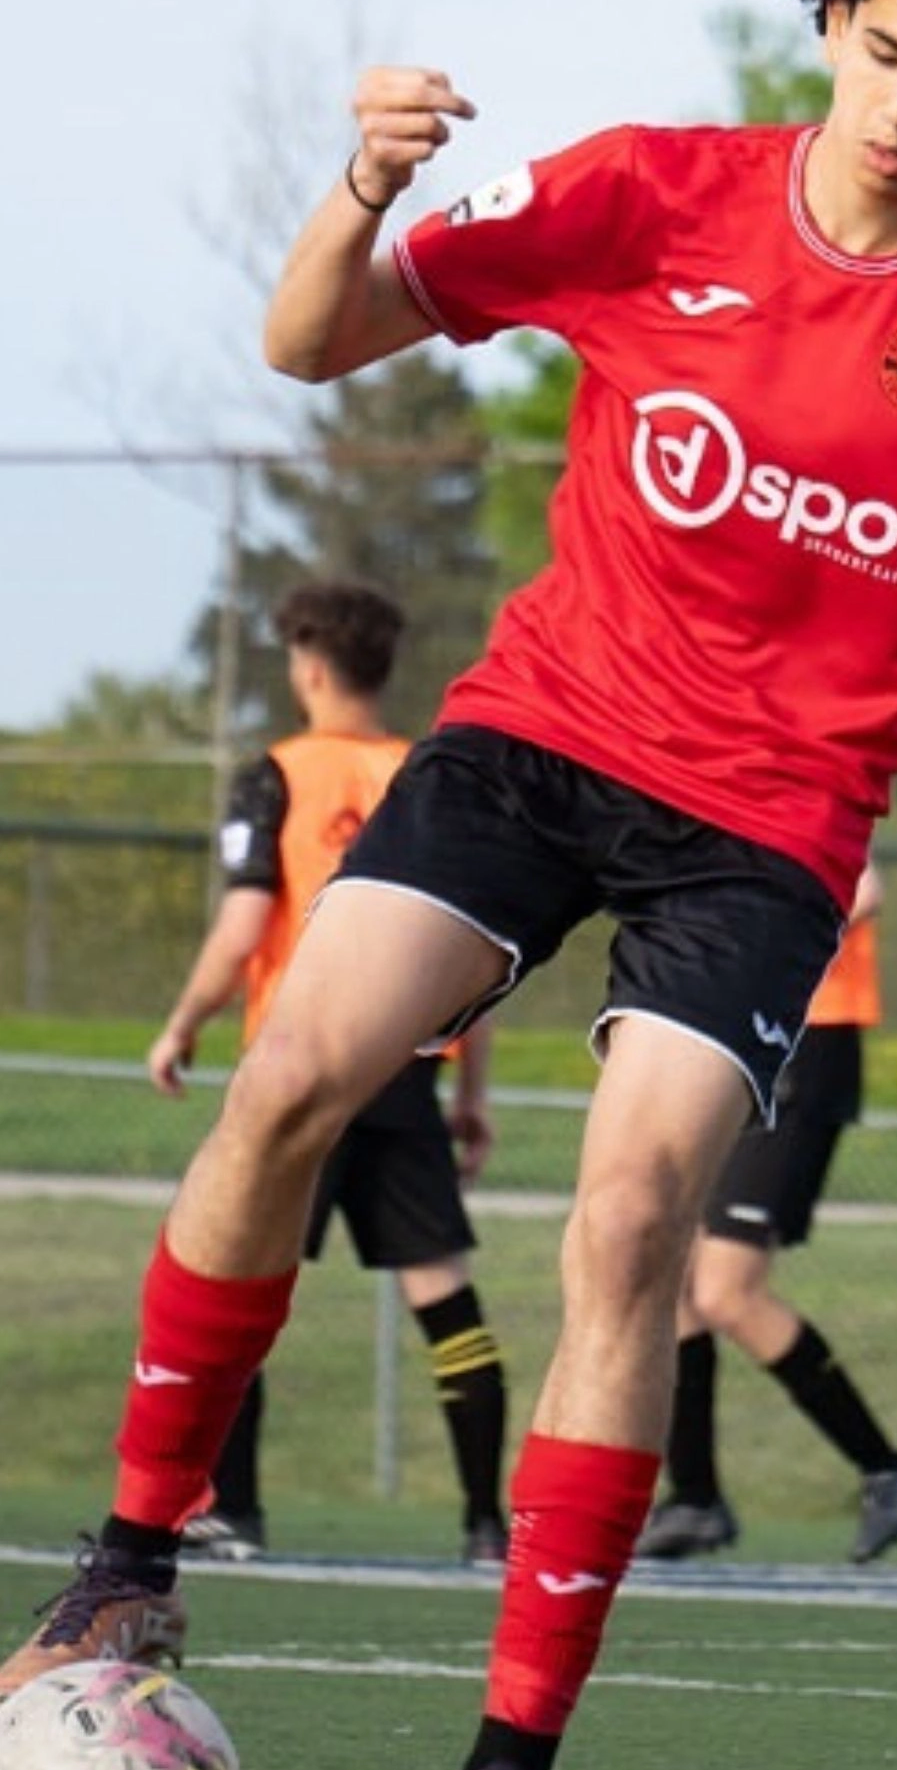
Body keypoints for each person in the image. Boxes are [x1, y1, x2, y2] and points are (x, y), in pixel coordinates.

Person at [1, 0, 897, 1770]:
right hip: (542, 739)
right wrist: (364, 185)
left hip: (769, 830)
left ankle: (514, 1753)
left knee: (633, 1221)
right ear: (833, 19)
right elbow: (310, 342)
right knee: (290, 1073)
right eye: (886, 52)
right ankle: (129, 1565)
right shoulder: (651, 191)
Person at [144, 579, 508, 1566]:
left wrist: (181, 1023)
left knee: (238, 1266)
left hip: (301, 1065)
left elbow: (241, 928)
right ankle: (485, 1523)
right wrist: (472, 1092)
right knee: (445, 1296)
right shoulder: (431, 774)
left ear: (308, 668)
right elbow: (471, 945)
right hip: (402, 1067)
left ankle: (234, 1511)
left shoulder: (274, 774)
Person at [636, 863, 897, 1564]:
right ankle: (695, 1497)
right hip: (742, 1037)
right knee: (676, 1285)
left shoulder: (808, 803)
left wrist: (754, 936)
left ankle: (885, 1467)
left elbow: (864, 890)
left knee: (726, 1291)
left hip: (809, 1043)